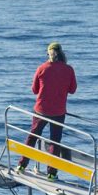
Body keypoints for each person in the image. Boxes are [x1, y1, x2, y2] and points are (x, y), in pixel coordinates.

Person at [16, 42, 77, 180]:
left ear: (48, 54)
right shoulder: (68, 69)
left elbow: (34, 90)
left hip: (41, 110)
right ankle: (51, 173)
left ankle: (22, 165)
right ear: (61, 53)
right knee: (55, 142)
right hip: (58, 112)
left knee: (32, 137)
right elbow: (72, 90)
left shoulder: (42, 68)